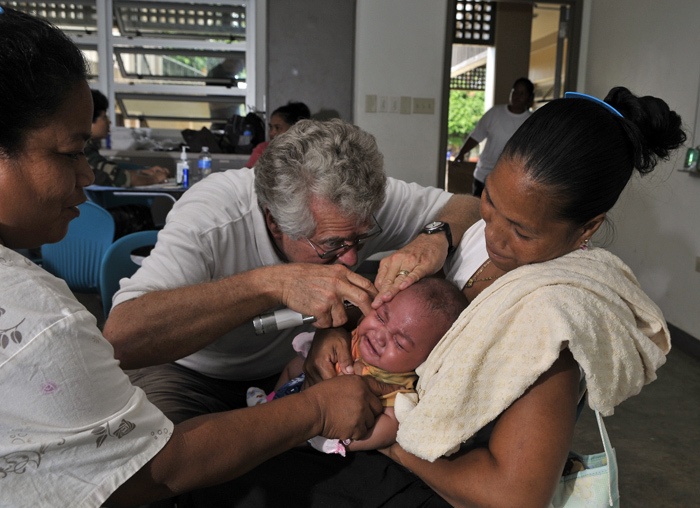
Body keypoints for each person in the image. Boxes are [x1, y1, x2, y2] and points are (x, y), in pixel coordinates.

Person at [213, 87, 685, 507]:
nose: (495, 238)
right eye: (492, 203)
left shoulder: (551, 312)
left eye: (520, 230)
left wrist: (387, 436)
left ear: (587, 227)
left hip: (426, 479)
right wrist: (335, 333)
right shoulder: (466, 240)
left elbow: (515, 495)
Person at [0, 8, 390, 507]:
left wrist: (429, 241)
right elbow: (158, 468)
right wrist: (316, 409)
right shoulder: (41, 324)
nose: (84, 176)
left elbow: (459, 213)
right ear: (274, 216)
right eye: (70, 153)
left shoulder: (359, 196)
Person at [103, 116, 479, 423]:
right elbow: (123, 338)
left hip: (287, 369)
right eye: (331, 245)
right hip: (190, 374)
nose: (350, 260)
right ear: (274, 222)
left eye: (361, 240)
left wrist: (432, 238)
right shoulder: (212, 216)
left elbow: (470, 207)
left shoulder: (354, 202)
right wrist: (271, 284)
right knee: (165, 468)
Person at [248, 277, 468, 456]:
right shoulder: (355, 338)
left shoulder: (395, 385)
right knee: (295, 366)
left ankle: (300, 440)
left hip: (325, 429)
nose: (380, 336)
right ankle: (270, 400)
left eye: (399, 343)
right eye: (381, 318)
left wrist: (346, 444)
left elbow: (391, 427)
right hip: (304, 385)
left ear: (426, 360)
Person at [453, 77, 535, 197]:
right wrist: (461, 153)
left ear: (529, 97)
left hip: (511, 180)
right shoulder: (495, 113)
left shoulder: (532, 121)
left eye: (522, 93)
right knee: (478, 212)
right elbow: (476, 136)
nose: (517, 96)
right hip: (483, 176)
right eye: (515, 91)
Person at [86, 89, 170, 188]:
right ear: (88, 120)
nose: (109, 122)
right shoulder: (83, 151)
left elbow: (110, 171)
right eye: (104, 117)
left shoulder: (89, 146)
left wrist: (143, 172)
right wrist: (155, 179)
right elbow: (123, 179)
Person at [244, 101, 311, 168]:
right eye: (270, 127)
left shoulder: (309, 153)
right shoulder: (263, 149)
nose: (272, 133)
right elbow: (248, 175)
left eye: (278, 128)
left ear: (295, 129)